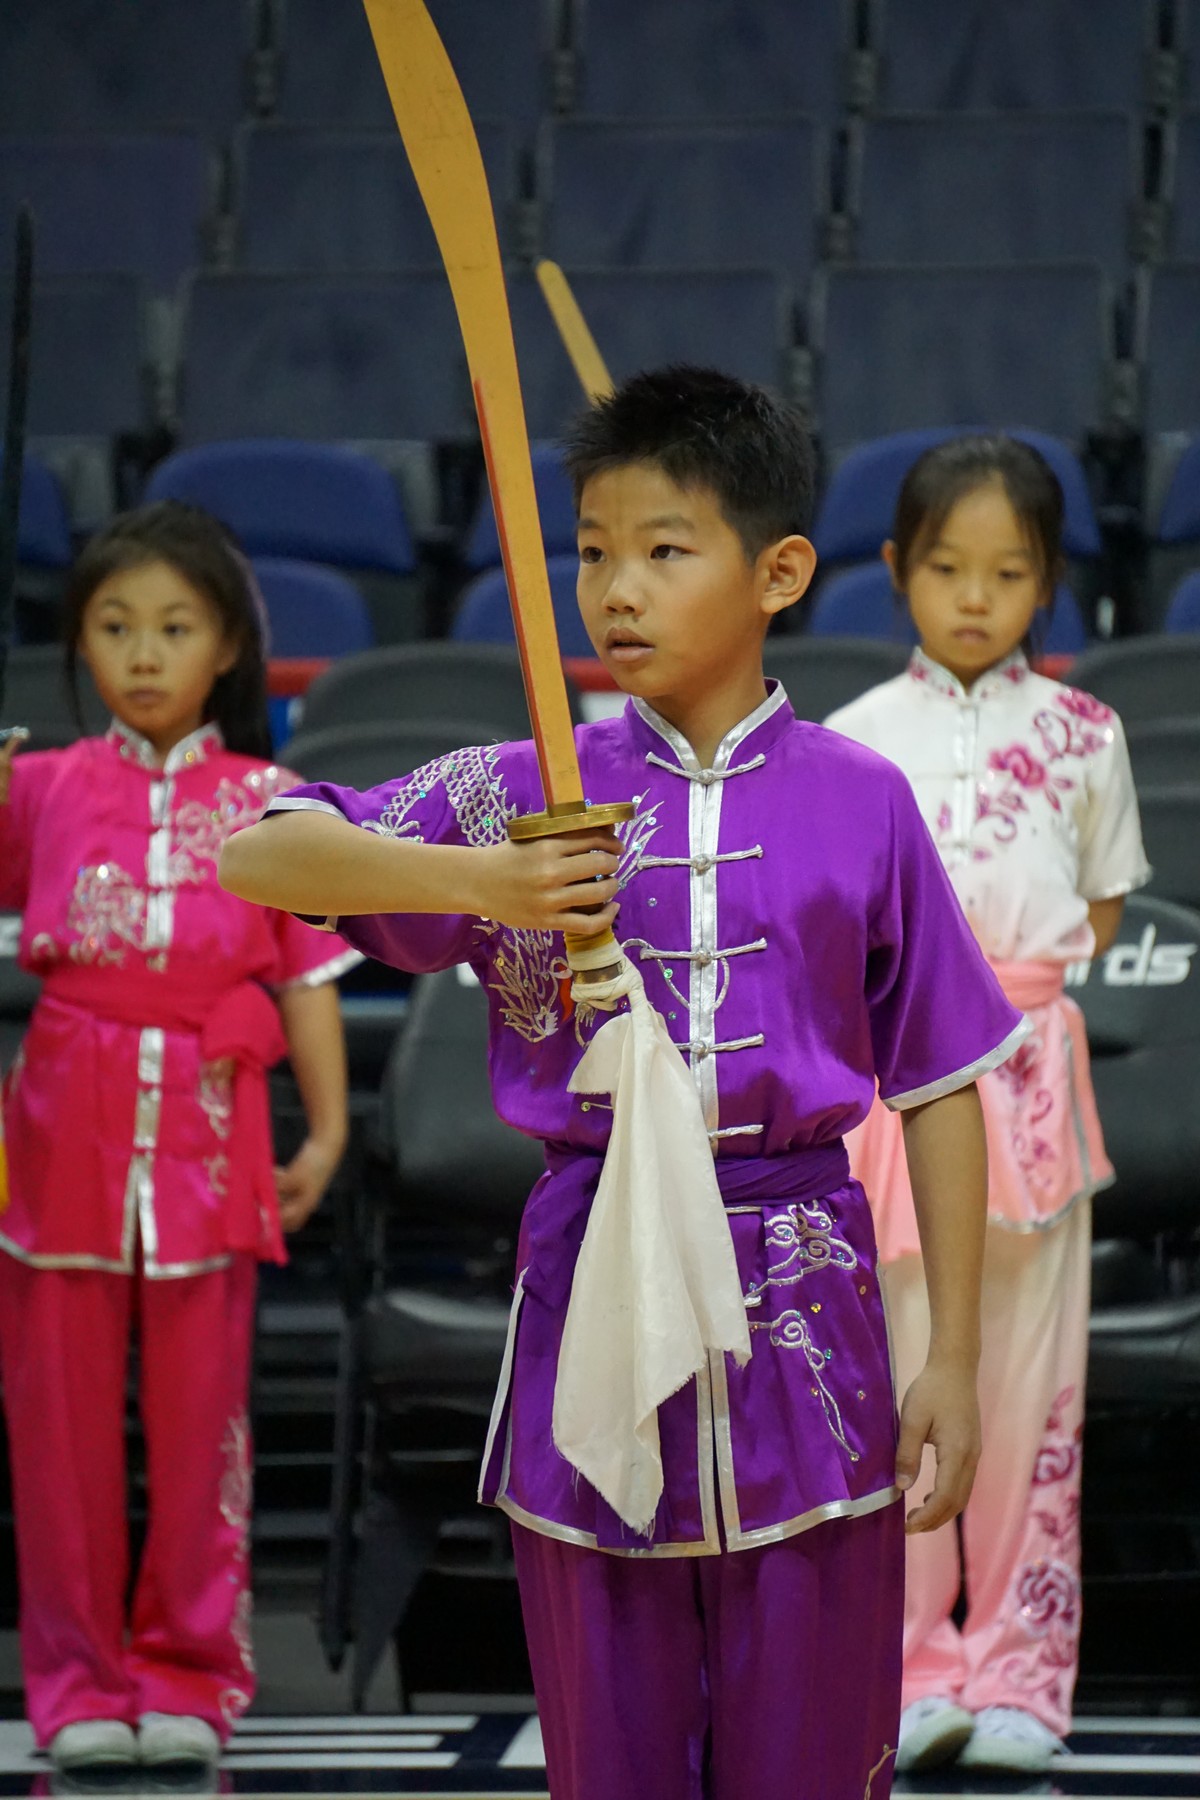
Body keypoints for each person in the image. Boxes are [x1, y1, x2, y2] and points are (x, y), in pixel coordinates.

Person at [221, 367, 1027, 1800]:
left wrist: (954, 1361)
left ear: (779, 573)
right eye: (592, 550)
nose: (616, 589)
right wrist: (486, 883)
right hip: (589, 1289)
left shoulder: (865, 800)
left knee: (814, 1754)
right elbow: (261, 851)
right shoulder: (533, 792)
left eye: (664, 548)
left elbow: (944, 1084)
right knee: (614, 1753)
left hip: (808, 1310)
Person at [0, 502, 357, 1775]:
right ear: (79, 646)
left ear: (229, 648)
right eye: (114, 627)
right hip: (61, 1134)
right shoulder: (33, 789)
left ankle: (190, 1676)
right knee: (57, 1432)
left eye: (173, 626)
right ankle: (75, 1685)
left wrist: (324, 1135)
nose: (144, 653)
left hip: (212, 1134)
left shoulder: (271, 802)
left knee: (206, 1425)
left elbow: (306, 980)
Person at [826, 436, 1150, 1777]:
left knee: (1030, 1390)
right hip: (893, 1098)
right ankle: (908, 1671)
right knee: (901, 1380)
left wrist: (1001, 997)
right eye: (947, 568)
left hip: (1029, 1096)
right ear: (896, 570)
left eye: (1008, 573)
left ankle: (1023, 1671)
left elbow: (1105, 907)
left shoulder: (1087, 734)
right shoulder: (850, 741)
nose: (975, 597)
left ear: (1048, 583)